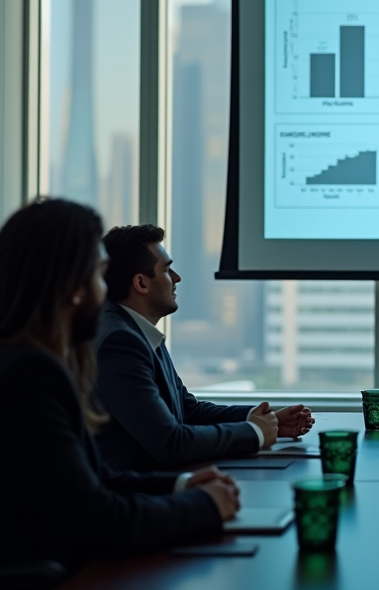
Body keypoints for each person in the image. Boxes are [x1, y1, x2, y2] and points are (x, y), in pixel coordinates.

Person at [0, 199, 238, 571]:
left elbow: (97, 480)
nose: (105, 289)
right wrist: (206, 505)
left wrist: (180, 486)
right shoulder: (29, 373)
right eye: (98, 275)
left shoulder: (32, 361)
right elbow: (99, 520)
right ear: (73, 287)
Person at [94, 225, 314, 472]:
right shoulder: (121, 342)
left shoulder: (137, 330)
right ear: (141, 283)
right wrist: (254, 433)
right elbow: (170, 443)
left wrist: (263, 420)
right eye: (166, 270)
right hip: (139, 495)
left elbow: (188, 410)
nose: (176, 278)